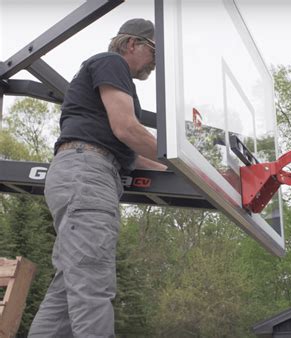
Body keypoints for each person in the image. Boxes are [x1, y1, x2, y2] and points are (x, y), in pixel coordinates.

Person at [28, 18, 166, 337]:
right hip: (88, 174)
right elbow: (127, 128)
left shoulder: (102, 97)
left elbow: (135, 151)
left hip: (81, 173)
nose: (156, 64)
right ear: (132, 44)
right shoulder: (111, 61)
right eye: (155, 52)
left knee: (66, 295)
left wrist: (186, 172)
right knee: (92, 288)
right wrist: (181, 160)